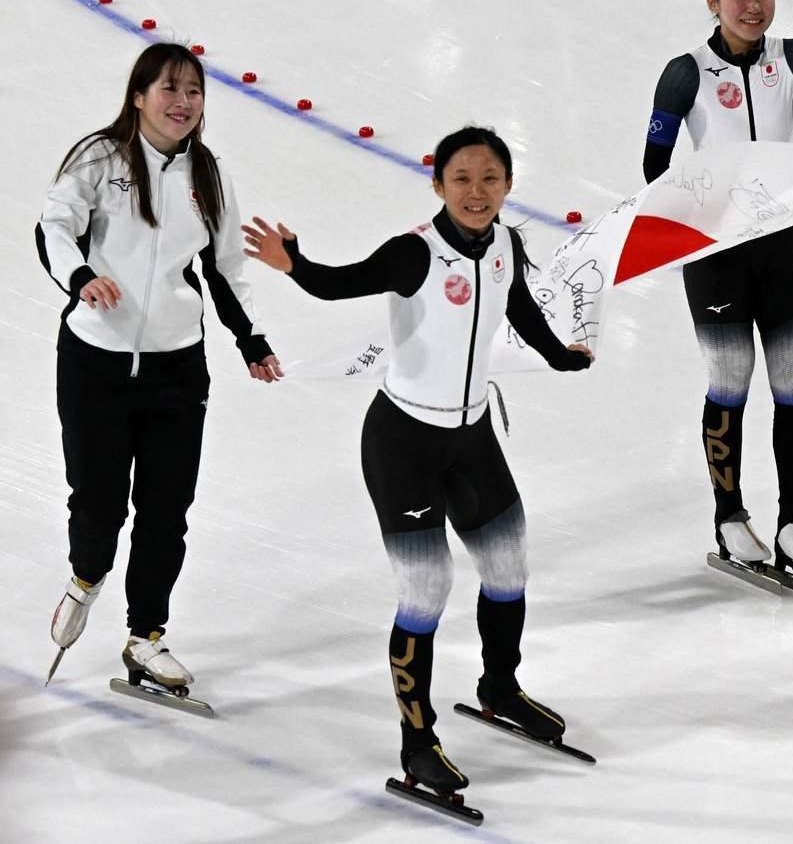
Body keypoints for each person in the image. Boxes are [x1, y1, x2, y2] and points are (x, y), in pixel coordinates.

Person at [242, 126, 593, 795]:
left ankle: (500, 686)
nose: (477, 191)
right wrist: (296, 263)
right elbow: (339, 284)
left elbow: (517, 303)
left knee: (508, 565)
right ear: (437, 185)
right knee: (427, 589)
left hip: (472, 435)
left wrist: (557, 355)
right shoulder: (414, 254)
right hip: (403, 442)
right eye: (461, 178)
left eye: (490, 177)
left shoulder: (507, 247)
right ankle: (418, 741)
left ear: (509, 185)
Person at [37, 43, 281, 691]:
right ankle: (85, 578)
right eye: (169, 89)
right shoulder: (100, 157)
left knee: (166, 508)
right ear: (139, 95)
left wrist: (249, 339)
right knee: (100, 502)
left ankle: (146, 637)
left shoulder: (207, 173)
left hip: (177, 367)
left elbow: (224, 267)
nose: (182, 102)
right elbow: (54, 227)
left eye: (194, 91)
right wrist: (81, 275)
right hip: (97, 362)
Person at [643, 0, 793, 583]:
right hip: (715, 254)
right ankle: (729, 514)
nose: (753, 5)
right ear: (712, 2)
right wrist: (697, 214)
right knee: (732, 381)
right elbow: (654, 166)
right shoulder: (685, 73)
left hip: (781, 246)